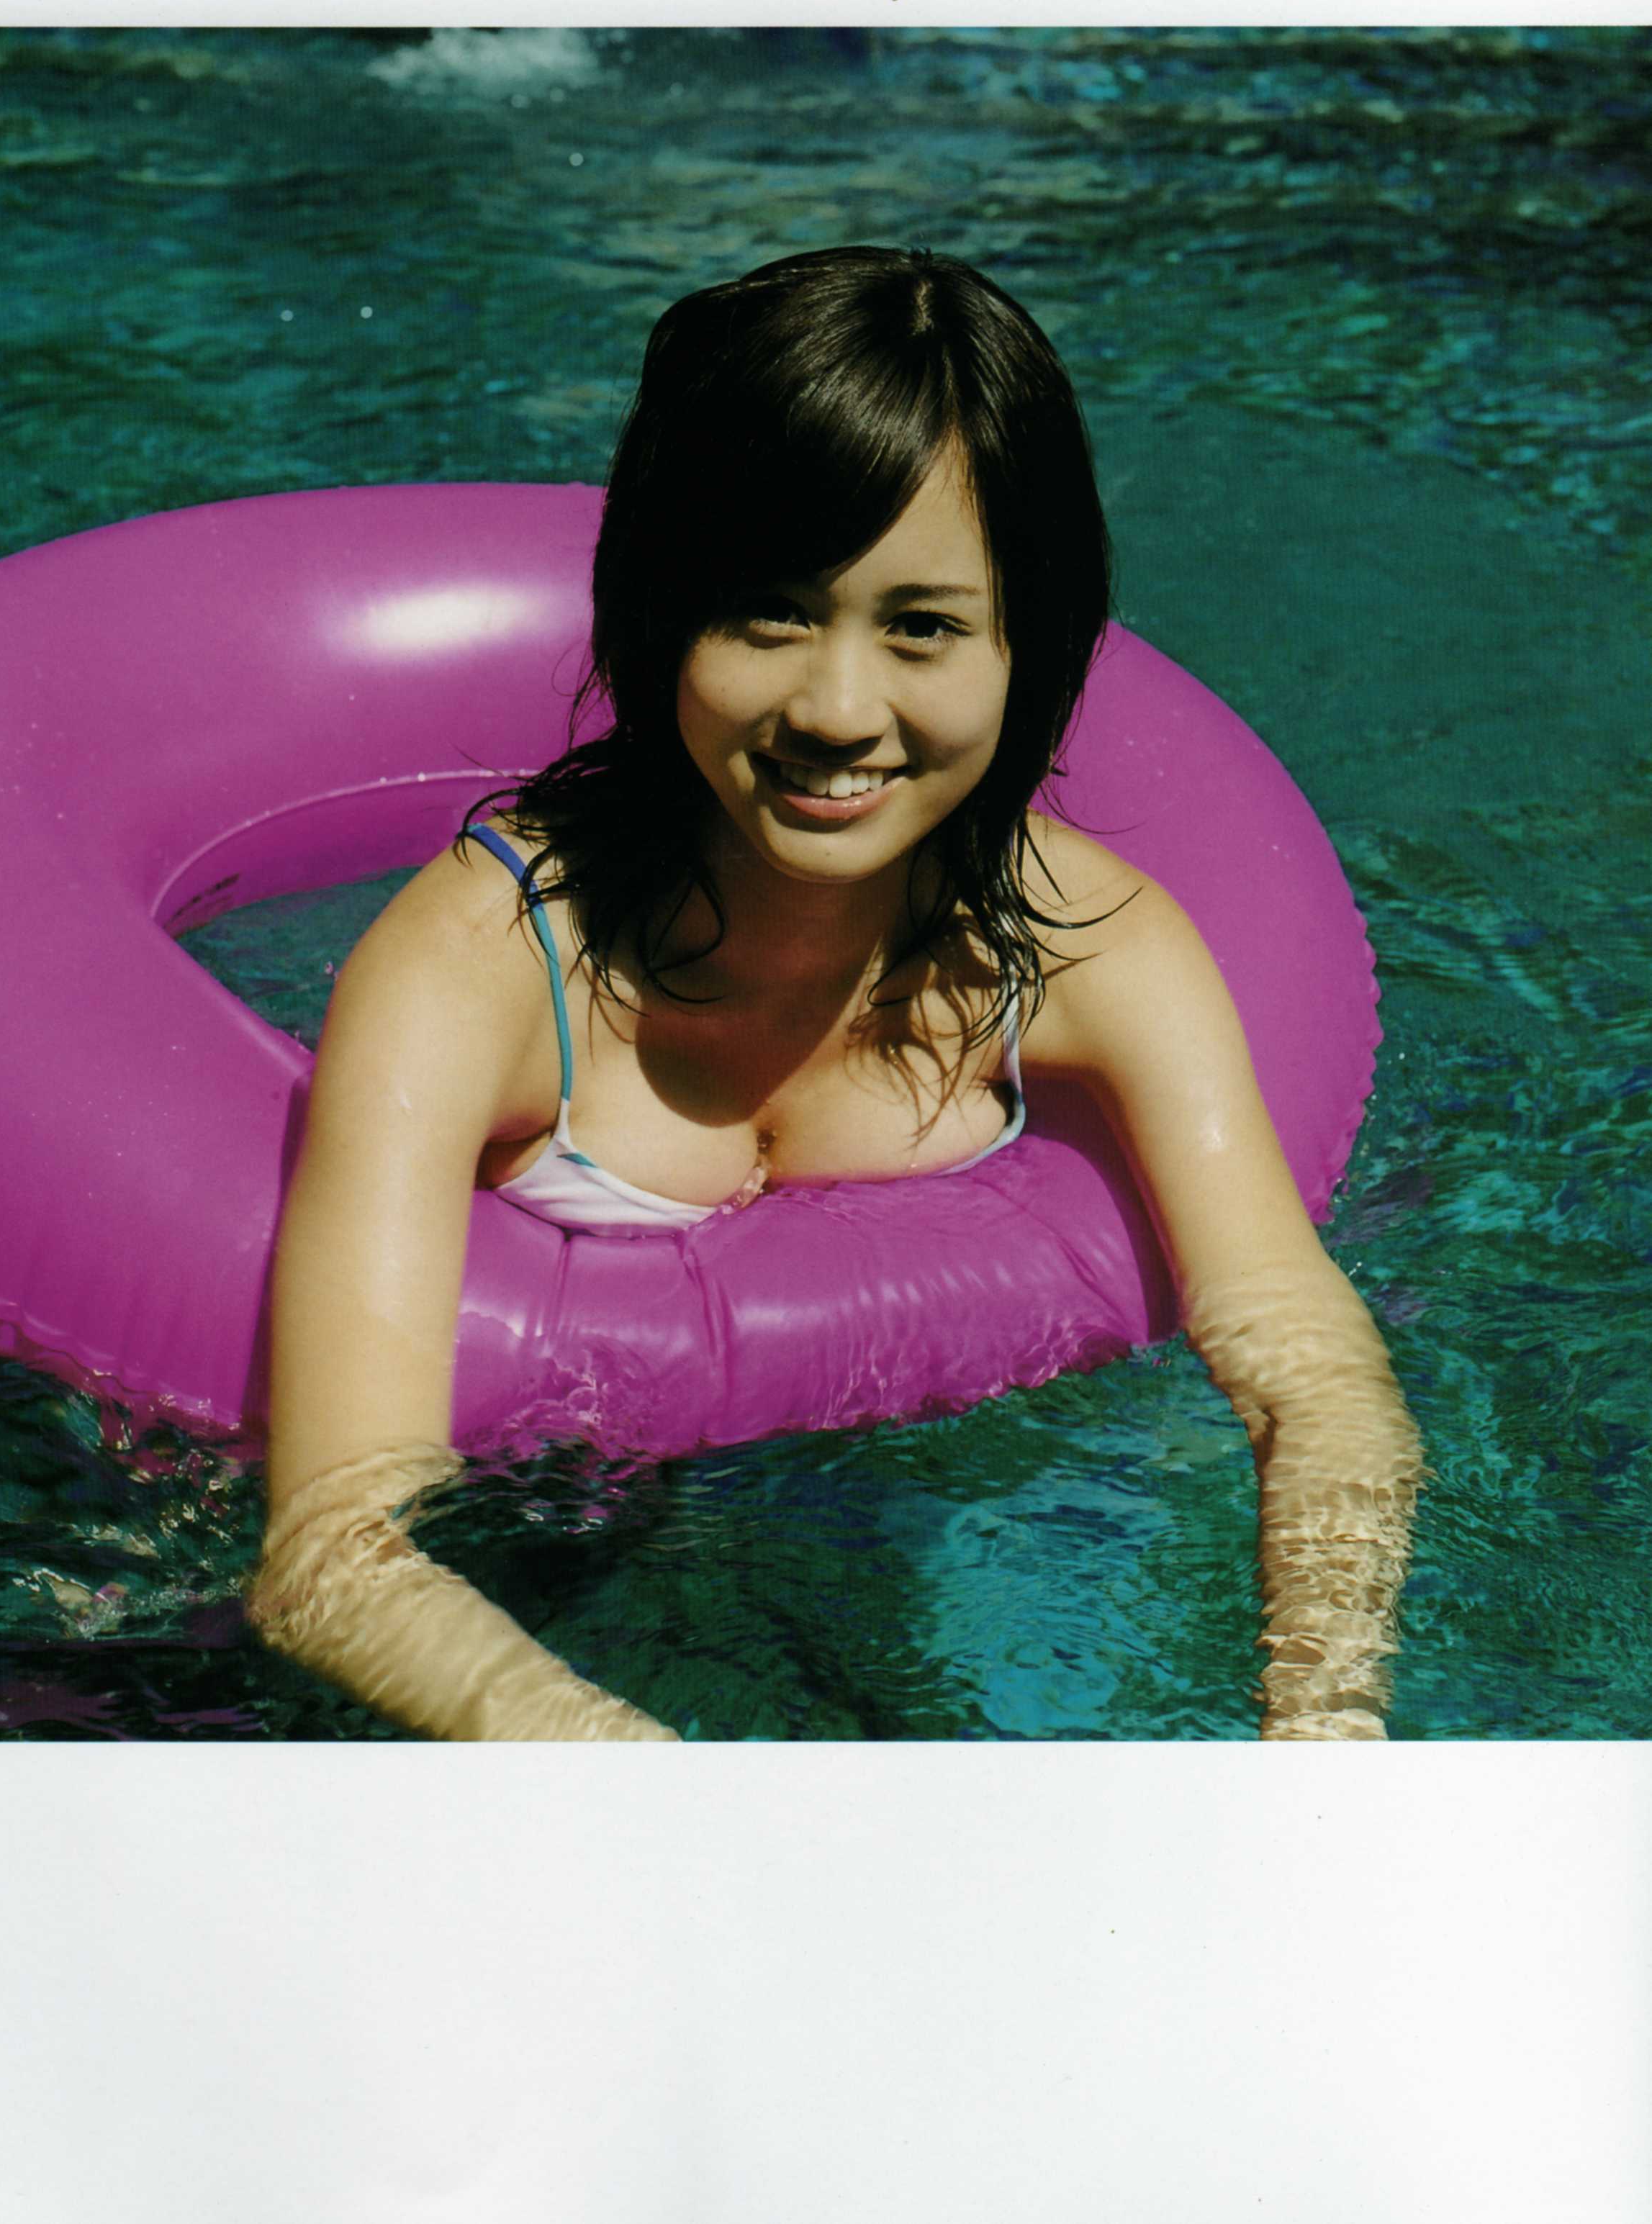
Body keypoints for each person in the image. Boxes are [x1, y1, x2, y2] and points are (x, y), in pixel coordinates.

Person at [248, 244, 1424, 1740]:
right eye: (768, 612)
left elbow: (1308, 1370)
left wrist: (1324, 1717)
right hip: (510, 1560)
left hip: (873, 1543)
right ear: (662, 610)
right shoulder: (478, 971)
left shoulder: (1092, 945)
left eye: (921, 626)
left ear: (1027, 641)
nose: (838, 709)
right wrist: (667, 1790)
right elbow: (332, 1555)